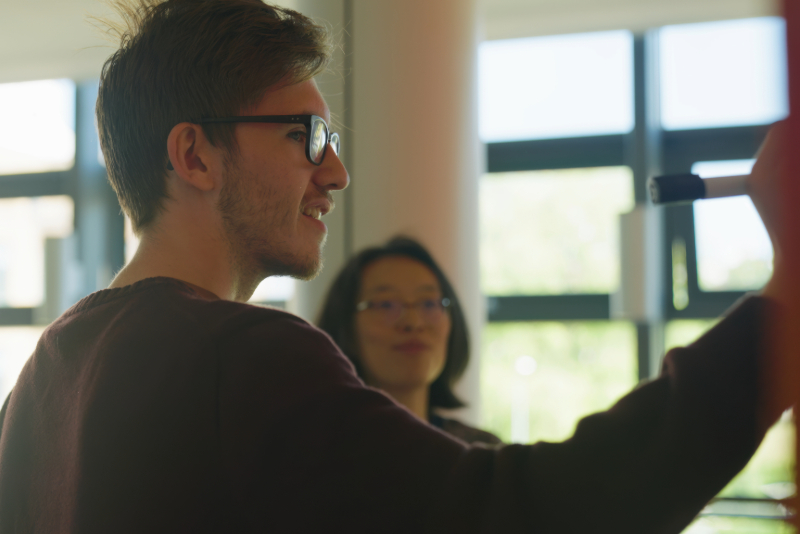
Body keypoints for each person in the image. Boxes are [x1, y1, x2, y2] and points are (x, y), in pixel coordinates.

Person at [0, 0, 791, 532]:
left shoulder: (42, 378)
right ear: (195, 155)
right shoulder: (238, 351)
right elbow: (530, 515)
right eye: (306, 138)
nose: (337, 173)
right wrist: (784, 312)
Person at [318, 236, 502, 445]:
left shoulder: (481, 452)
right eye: (386, 305)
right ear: (346, 329)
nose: (413, 323)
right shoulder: (320, 450)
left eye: (429, 303)